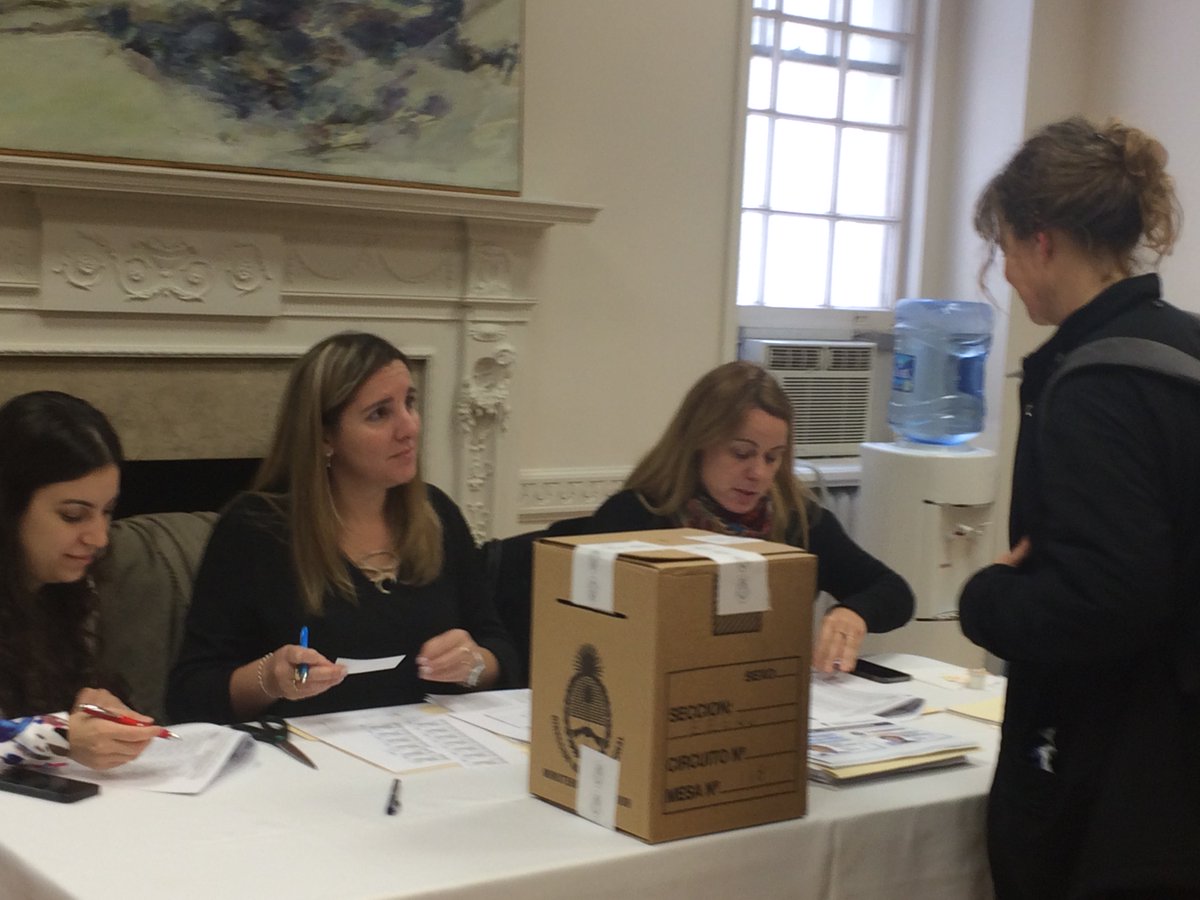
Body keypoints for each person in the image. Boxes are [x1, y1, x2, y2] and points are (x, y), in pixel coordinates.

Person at [959, 117, 1200, 899]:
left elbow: (1111, 598)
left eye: (1002, 249)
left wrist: (989, 600)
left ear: (1042, 241)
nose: (1005, 273)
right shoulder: (1186, 348)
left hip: (1122, 782)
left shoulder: (1095, 387)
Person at [166, 332, 519, 724]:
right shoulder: (255, 529)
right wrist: (270, 678)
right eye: (379, 414)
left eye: (409, 403)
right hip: (310, 751)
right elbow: (189, 695)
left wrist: (474, 664)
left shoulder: (436, 513)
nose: (409, 428)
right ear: (324, 437)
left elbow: (500, 650)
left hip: (432, 743)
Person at [587, 360, 913, 672]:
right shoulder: (635, 516)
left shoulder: (799, 522)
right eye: (741, 453)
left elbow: (895, 592)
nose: (758, 473)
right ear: (698, 443)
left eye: (772, 458)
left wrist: (854, 613)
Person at [0, 391, 159, 769]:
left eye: (108, 511)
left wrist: (99, 716)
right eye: (73, 515)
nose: (99, 538)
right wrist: (60, 735)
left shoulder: (67, 592)